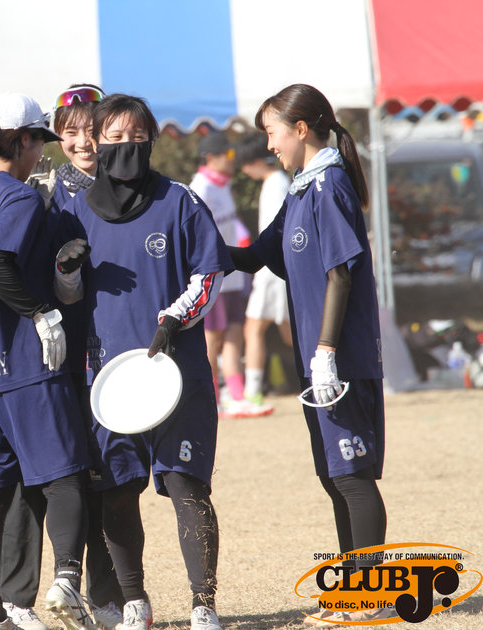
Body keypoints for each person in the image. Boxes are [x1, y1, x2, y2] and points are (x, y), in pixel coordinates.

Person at [54, 94, 231, 630]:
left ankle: (203, 604)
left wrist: (177, 317)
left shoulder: (180, 201)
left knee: (186, 485)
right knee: (115, 491)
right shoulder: (74, 211)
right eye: (114, 138)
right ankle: (134, 600)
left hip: (178, 372)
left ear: (152, 140)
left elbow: (209, 275)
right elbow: (65, 298)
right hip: (109, 378)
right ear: (97, 142)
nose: (126, 146)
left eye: (137, 137)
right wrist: (66, 273)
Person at [229, 84, 389, 627]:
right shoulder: (301, 189)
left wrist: (325, 351)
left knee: (352, 474)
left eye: (272, 132)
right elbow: (256, 256)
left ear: (301, 129)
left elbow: (340, 273)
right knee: (333, 474)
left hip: (339, 358)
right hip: (316, 359)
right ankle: (355, 588)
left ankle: (372, 594)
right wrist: (193, 237)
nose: (268, 145)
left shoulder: (329, 184)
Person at [0, 92, 95, 630]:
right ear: (22, 139)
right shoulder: (21, 197)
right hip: (20, 364)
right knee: (66, 474)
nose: (41, 154)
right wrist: (41, 312)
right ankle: (66, 582)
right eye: (39, 142)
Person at [0, 82, 123, 630]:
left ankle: (108, 594)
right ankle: (16, 599)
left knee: (107, 479)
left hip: (114, 356)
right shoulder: (42, 194)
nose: (82, 142)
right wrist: (64, 280)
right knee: (37, 478)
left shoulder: (130, 191)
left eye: (92, 131)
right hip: (53, 355)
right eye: (69, 132)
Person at [190, 132, 272, 420]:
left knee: (235, 333)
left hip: (233, 273)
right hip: (213, 274)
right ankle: (210, 398)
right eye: (227, 155)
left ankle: (237, 397)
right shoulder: (200, 187)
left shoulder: (223, 185)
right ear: (210, 158)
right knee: (212, 339)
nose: (232, 159)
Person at [236, 133, 293, 406]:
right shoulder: (276, 182)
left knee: (254, 328)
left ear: (258, 161)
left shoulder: (275, 184)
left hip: (272, 269)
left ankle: (252, 393)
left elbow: (277, 232)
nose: (245, 170)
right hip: (275, 268)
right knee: (289, 332)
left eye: (246, 164)